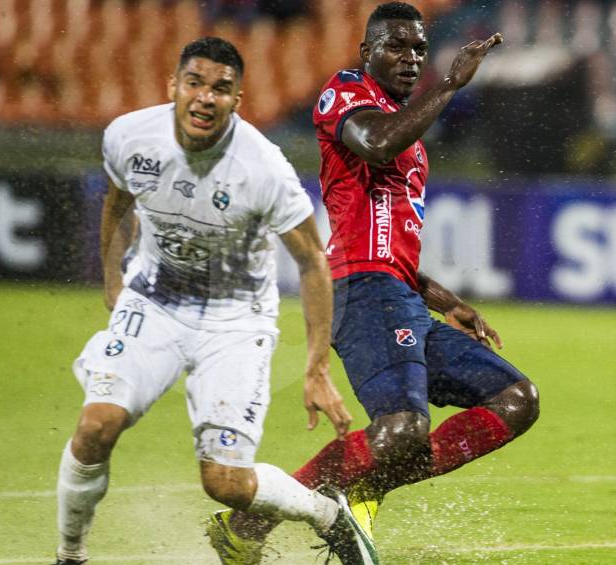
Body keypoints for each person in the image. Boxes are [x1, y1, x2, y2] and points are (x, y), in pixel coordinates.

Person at [206, 3, 540, 564]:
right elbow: (376, 144)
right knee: (402, 428)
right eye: (396, 46)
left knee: (516, 400)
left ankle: (362, 488)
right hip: (361, 292)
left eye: (419, 49)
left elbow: (390, 241)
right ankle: (249, 522)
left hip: (399, 294)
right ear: (367, 52)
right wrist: (449, 85)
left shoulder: (411, 136)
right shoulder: (344, 93)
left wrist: (445, 300)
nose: (410, 58)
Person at [54, 36, 371, 565]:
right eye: (195, 83)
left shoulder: (263, 168)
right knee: (95, 426)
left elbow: (313, 261)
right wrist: (114, 281)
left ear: (236, 101)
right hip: (154, 301)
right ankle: (70, 555)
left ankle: (327, 514)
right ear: (173, 86)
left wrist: (316, 367)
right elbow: (118, 203)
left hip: (235, 320)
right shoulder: (130, 137)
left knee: (224, 482)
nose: (205, 97)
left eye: (220, 89)